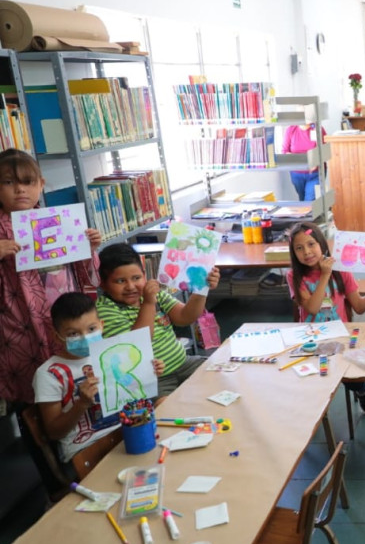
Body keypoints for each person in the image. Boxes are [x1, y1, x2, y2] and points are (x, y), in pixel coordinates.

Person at [0, 149, 102, 410]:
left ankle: (84, 426)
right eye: (9, 182)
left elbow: (84, 273)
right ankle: (41, 430)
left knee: (74, 368)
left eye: (28, 182)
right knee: (35, 385)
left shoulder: (57, 220)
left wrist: (88, 247)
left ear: (41, 184)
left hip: (62, 311)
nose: (20, 190)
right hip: (17, 321)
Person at [34, 292, 164, 469]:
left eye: (91, 329)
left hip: (130, 433)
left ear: (102, 326)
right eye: (73, 333)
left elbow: (131, 391)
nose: (85, 337)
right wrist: (81, 404)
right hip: (88, 450)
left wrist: (148, 372)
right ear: (57, 336)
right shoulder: (48, 374)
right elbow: (54, 432)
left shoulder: (112, 352)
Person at [287, 223, 365, 414]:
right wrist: (325, 275)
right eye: (299, 248)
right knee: (311, 378)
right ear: (294, 253)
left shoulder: (341, 270)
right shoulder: (294, 276)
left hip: (341, 337)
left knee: (348, 375)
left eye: (311, 244)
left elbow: (359, 307)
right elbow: (312, 307)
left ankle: (361, 390)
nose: (307, 252)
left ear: (322, 245)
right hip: (311, 340)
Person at [96, 243, 219, 397]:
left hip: (183, 363)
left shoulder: (152, 293)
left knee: (220, 377)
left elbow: (185, 317)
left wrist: (202, 288)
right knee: (167, 411)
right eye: (120, 281)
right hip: (151, 380)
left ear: (144, 275)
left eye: (136, 278)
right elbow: (138, 344)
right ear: (104, 284)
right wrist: (148, 303)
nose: (130, 286)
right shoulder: (106, 310)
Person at [281, 123, 326, 201]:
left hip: (315, 173)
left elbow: (325, 150)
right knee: (302, 202)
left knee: (309, 201)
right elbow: (284, 151)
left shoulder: (317, 129)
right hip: (297, 174)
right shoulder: (291, 130)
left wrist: (317, 161)